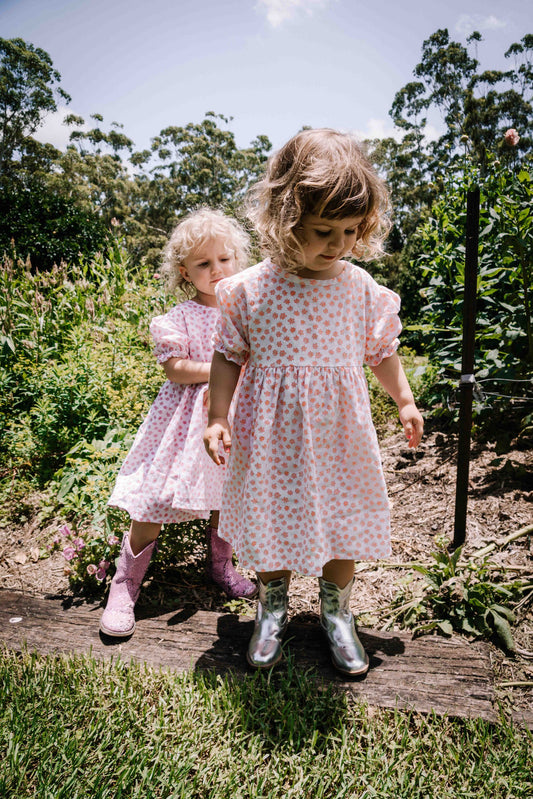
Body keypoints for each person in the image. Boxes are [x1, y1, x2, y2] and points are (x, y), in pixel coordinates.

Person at [203, 129, 424, 674]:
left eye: (351, 230)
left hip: (339, 438)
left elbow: (381, 352)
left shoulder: (360, 289)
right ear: (286, 220)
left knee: (342, 521)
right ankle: (271, 608)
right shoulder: (250, 290)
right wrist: (216, 415)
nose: (339, 243)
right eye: (323, 230)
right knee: (272, 524)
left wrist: (404, 399)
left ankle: (337, 613)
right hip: (272, 439)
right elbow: (229, 355)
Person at [100, 208, 257, 638]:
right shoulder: (180, 317)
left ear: (238, 260)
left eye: (224, 259)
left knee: (226, 494)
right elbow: (175, 369)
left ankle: (222, 567)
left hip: (231, 415)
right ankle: (125, 584)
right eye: (203, 264)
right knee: (154, 498)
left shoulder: (246, 311)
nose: (216, 270)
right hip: (183, 422)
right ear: (185, 272)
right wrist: (221, 368)